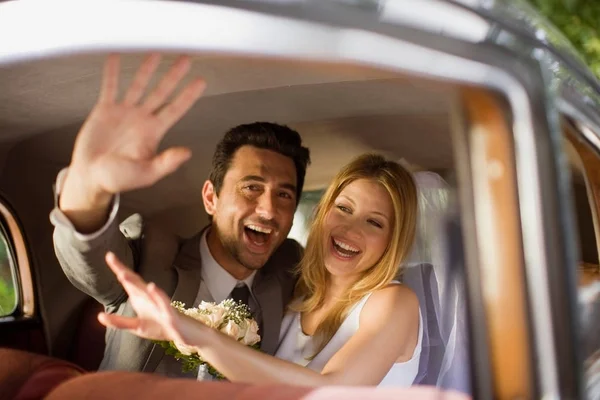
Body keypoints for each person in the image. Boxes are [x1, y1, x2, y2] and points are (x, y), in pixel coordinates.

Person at [49, 54, 310, 377]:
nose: (269, 210)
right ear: (211, 198)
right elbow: (90, 262)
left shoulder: (289, 267)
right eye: (251, 188)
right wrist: (88, 186)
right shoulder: (150, 255)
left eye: (284, 195)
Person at [98, 153, 423, 386]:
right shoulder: (295, 296)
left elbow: (331, 393)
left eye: (374, 222)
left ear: (393, 240)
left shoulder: (394, 302)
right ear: (323, 213)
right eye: (343, 208)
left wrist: (204, 338)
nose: (350, 230)